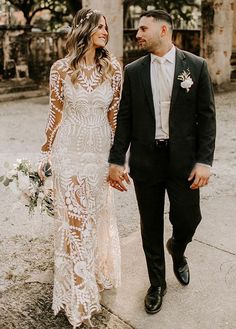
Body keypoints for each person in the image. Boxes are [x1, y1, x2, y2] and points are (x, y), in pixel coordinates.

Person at [108, 9, 216, 314]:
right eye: (137, 30)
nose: (137, 34)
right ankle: (157, 283)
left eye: (143, 29)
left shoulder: (195, 66)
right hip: (146, 160)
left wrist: (204, 161)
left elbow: (207, 118)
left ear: (164, 30)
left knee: (188, 219)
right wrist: (117, 160)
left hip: (183, 162)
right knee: (150, 226)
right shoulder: (134, 70)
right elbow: (125, 118)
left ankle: (178, 249)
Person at [38, 8, 122, 328]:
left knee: (94, 218)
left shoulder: (112, 70)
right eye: (99, 26)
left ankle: (93, 274)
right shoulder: (60, 69)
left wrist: (116, 158)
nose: (105, 31)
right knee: (76, 224)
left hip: (99, 153)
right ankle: (81, 295)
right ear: (84, 29)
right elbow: (54, 114)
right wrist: (46, 150)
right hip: (69, 151)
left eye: (106, 27)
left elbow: (114, 117)